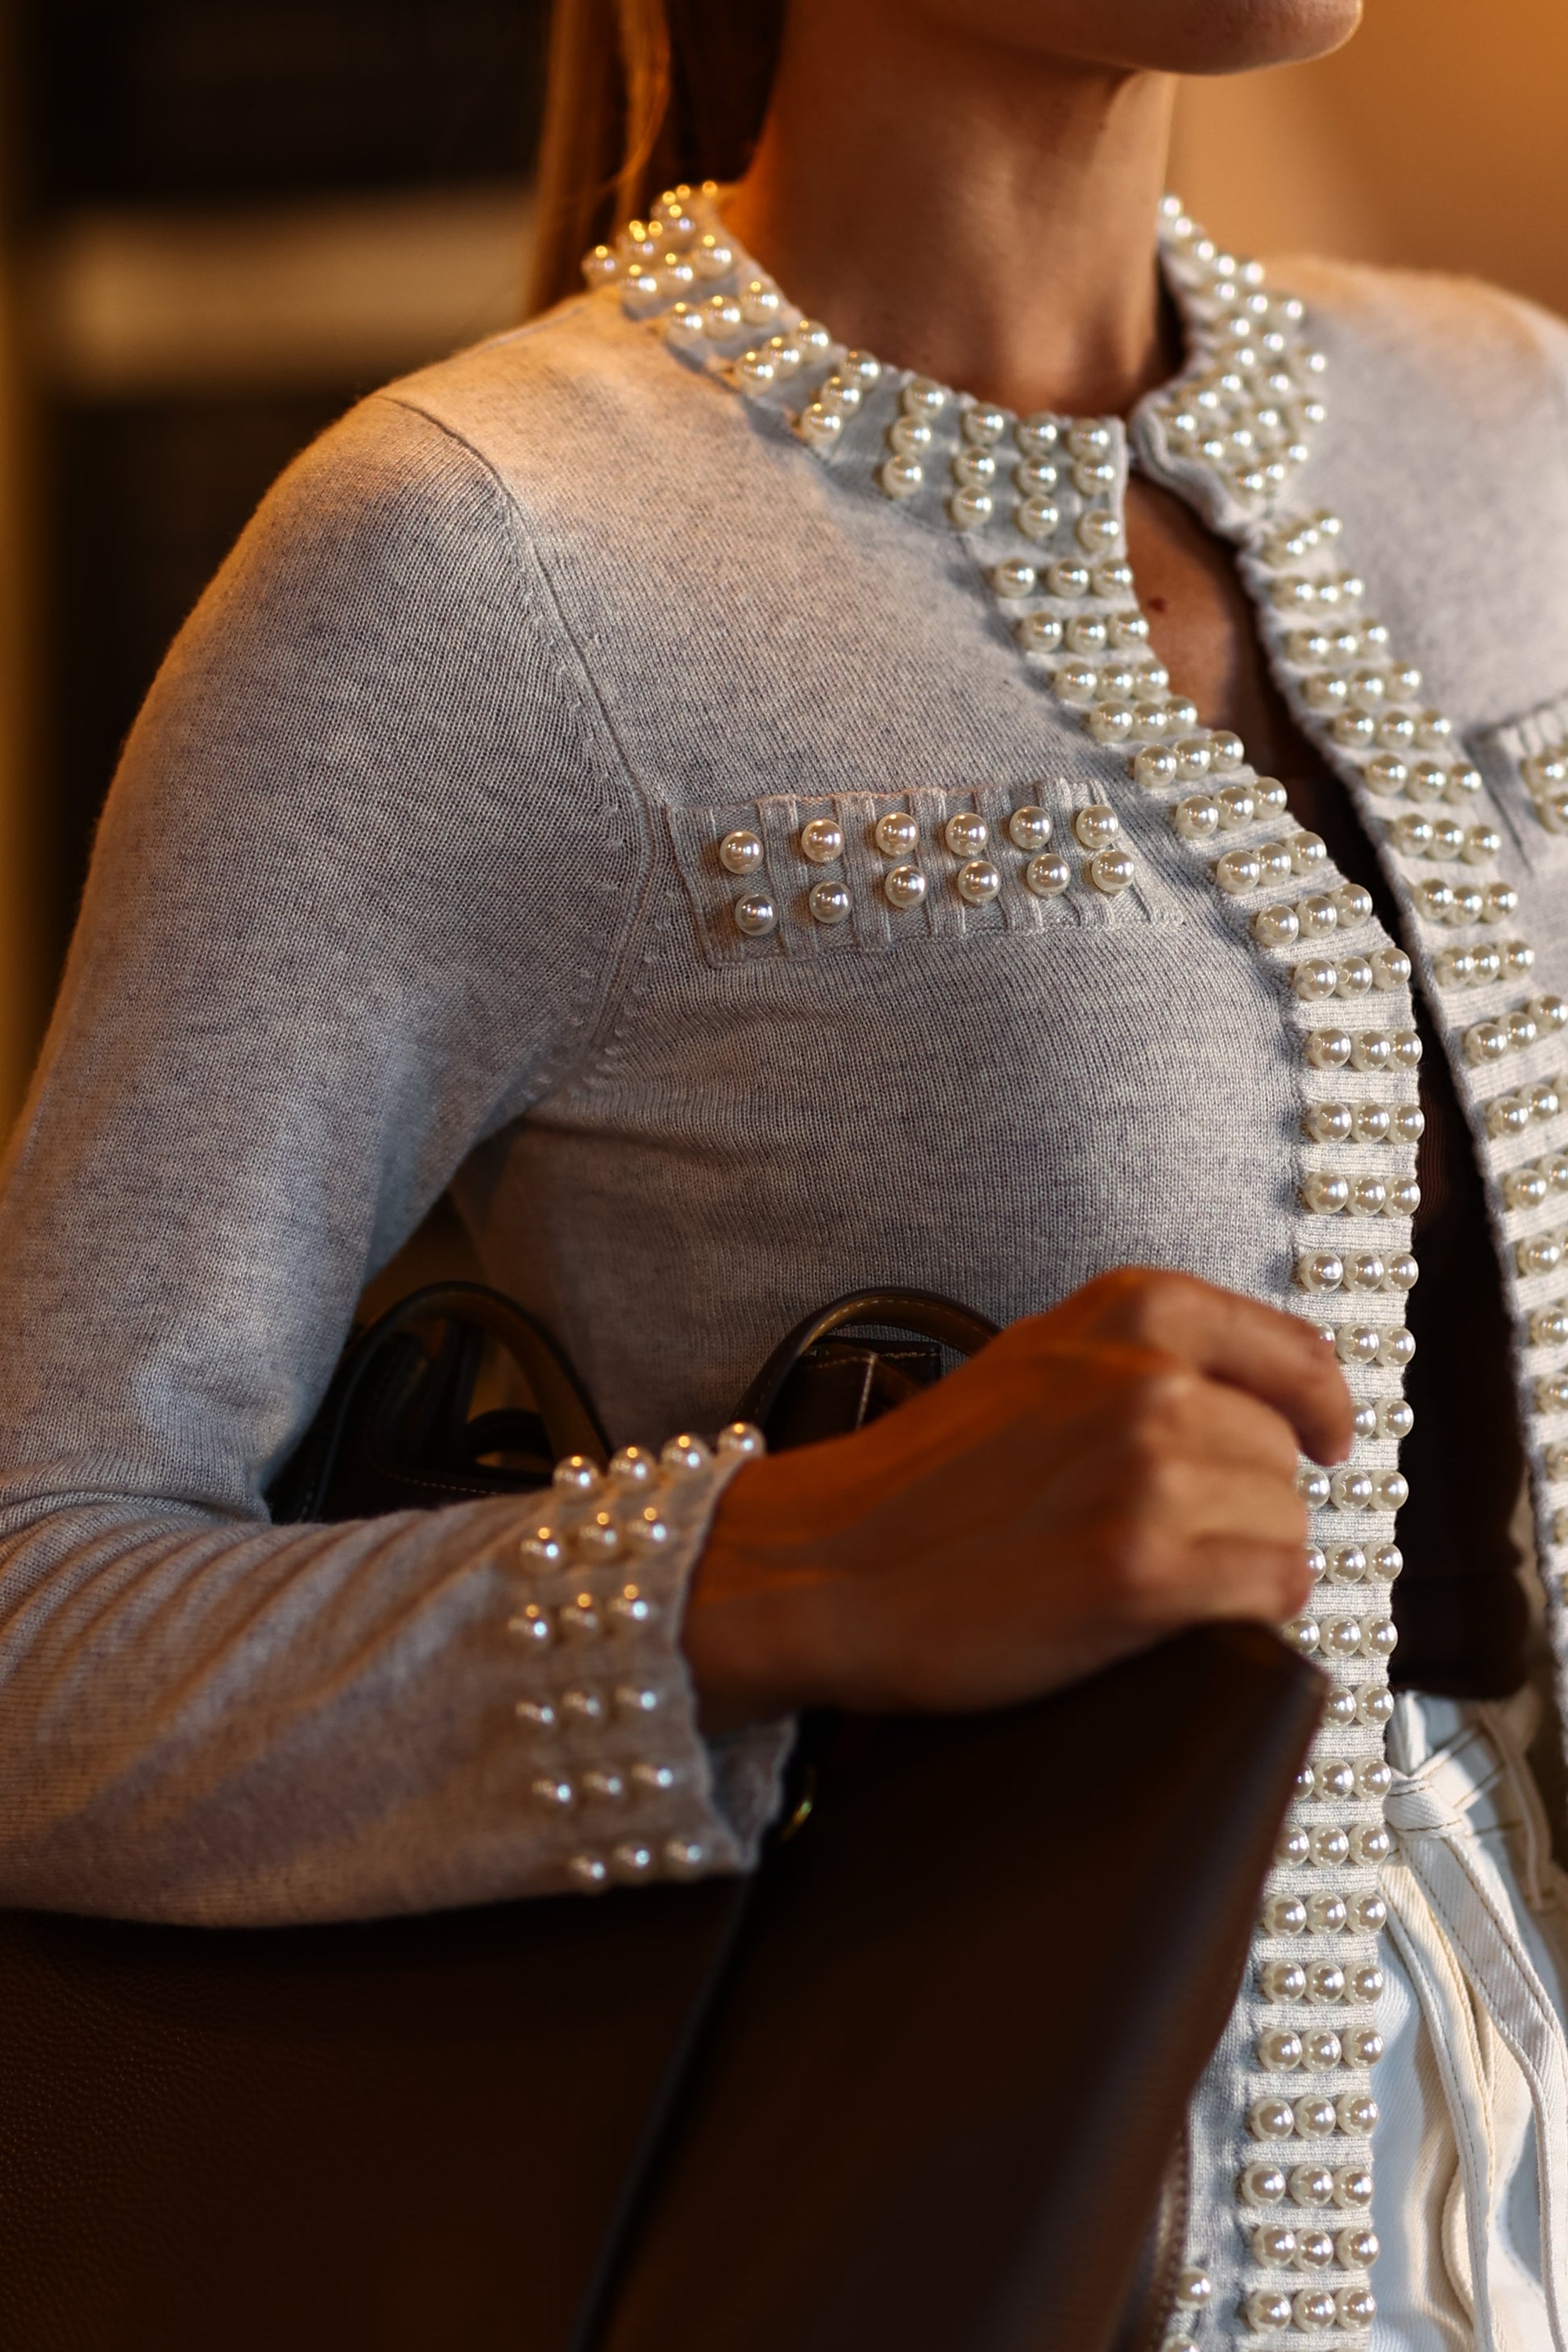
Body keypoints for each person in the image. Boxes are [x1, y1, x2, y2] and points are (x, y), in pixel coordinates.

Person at [0, 0, 1566, 2338]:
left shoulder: (1517, 425)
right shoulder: (473, 556)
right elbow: (32, 1615)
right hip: (985, 2245)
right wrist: (774, 1570)